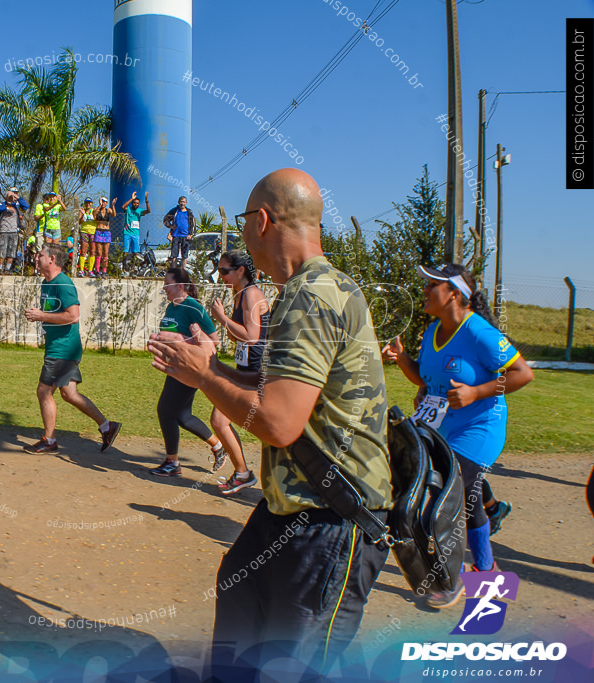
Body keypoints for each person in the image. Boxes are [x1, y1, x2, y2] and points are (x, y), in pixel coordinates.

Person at [148, 168, 393, 678]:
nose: (239, 245)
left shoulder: (314, 295)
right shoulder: (313, 289)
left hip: (331, 518)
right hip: (291, 508)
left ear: (261, 221)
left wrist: (206, 373)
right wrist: (214, 363)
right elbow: (279, 391)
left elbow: (278, 422)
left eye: (241, 225)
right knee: (238, 590)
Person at [382, 262, 534, 607]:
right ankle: (488, 567)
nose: (423, 290)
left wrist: (476, 392)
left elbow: (523, 373)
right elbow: (426, 380)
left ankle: (448, 579)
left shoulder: (478, 332)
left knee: (444, 498)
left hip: (480, 427)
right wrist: (404, 360)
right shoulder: (434, 331)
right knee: (466, 496)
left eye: (431, 285)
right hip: (445, 429)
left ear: (454, 294)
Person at [23, 244, 121, 454]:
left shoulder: (63, 283)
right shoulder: (46, 283)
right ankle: (107, 426)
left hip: (63, 349)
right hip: (59, 346)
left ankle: (49, 440)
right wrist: (41, 315)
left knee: (43, 391)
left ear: (51, 260)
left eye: (40, 255)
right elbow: (55, 314)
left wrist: (41, 316)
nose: (37, 258)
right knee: (69, 393)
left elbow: (73, 316)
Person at [151, 268, 226, 477]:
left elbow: (214, 340)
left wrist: (183, 344)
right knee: (182, 416)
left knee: (166, 410)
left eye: (167, 283)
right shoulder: (172, 307)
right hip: (176, 366)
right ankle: (219, 447)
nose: (164, 287)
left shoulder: (193, 308)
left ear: (180, 286)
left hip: (191, 367)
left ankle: (172, 462)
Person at [208, 250, 269, 495]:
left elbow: (252, 338)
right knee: (220, 420)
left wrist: (222, 318)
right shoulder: (238, 294)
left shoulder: (252, 294)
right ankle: (243, 473)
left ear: (240, 271)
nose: (220, 275)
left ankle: (252, 477)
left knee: (225, 421)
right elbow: (237, 337)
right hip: (244, 368)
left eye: (224, 271)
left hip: (259, 371)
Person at [0, 188, 29, 275]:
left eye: (15, 193)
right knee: (2, 251)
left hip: (14, 231)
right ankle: (0, 269)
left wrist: (18, 198)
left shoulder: (17, 206)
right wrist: (7, 207)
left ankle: (7, 269)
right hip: (4, 231)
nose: (13, 195)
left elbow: (26, 206)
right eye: (12, 194)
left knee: (12, 252)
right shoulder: (2, 204)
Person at [122, 191, 150, 276]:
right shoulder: (128, 209)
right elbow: (123, 206)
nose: (135, 204)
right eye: (134, 203)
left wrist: (146, 201)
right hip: (127, 233)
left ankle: (133, 269)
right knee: (126, 251)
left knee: (135, 252)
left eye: (137, 203)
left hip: (136, 234)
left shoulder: (139, 211)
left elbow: (148, 211)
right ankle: (124, 269)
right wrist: (132, 198)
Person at [163, 196, 194, 270]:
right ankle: (174, 271)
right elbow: (165, 220)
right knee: (174, 255)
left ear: (186, 203)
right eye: (181, 201)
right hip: (176, 235)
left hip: (185, 236)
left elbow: (192, 224)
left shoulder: (189, 212)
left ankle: (183, 271)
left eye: (183, 202)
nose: (182, 203)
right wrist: (171, 226)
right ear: (178, 202)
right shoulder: (175, 211)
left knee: (184, 255)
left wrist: (190, 234)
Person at [92, 196, 117, 278]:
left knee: (106, 252)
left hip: (106, 232)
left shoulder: (108, 210)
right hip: (98, 231)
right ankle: (97, 270)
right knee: (99, 252)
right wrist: (99, 206)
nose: (103, 203)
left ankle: (104, 271)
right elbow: (94, 215)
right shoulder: (97, 209)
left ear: (107, 203)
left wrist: (113, 205)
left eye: (105, 201)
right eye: (102, 201)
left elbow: (114, 214)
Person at [77, 198, 97, 276]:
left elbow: (96, 220)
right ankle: (81, 270)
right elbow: (79, 221)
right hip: (84, 232)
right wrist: (82, 214)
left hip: (93, 232)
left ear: (91, 203)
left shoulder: (94, 211)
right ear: (84, 203)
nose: (88, 204)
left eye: (89, 203)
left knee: (92, 251)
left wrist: (95, 212)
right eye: (86, 203)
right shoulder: (82, 210)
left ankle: (90, 270)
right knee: (83, 251)